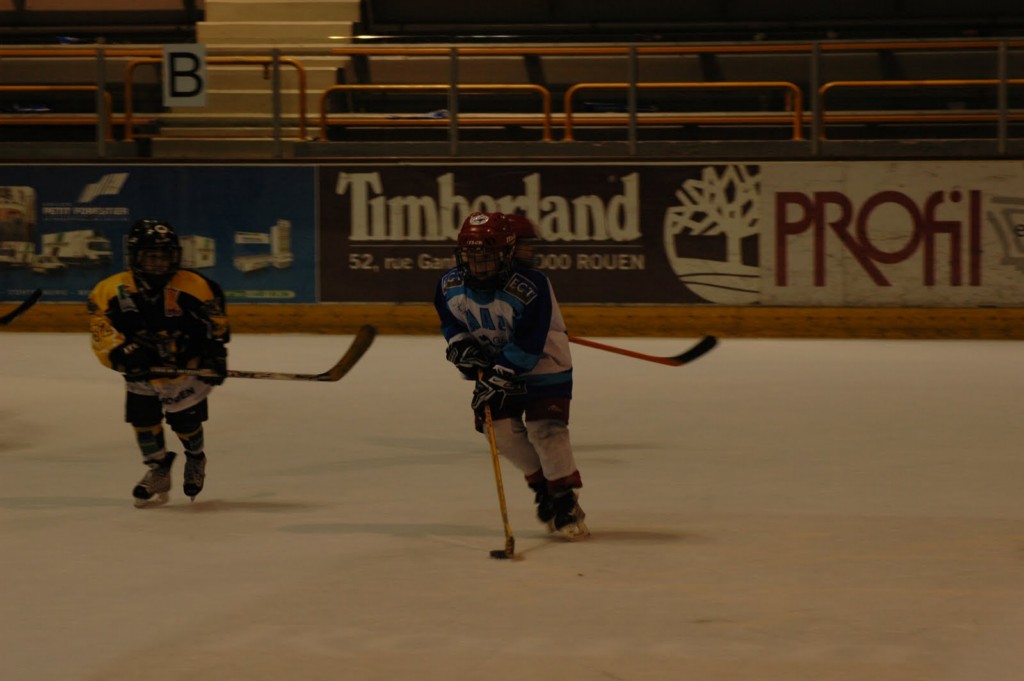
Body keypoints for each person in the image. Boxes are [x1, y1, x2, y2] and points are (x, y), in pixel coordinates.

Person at [434, 211, 588, 540]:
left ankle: (563, 498)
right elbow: (451, 322)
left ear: (506, 254)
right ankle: (544, 486)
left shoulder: (530, 286)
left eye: (487, 257)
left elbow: (530, 343)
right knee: (499, 433)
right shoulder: (449, 284)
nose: (480, 266)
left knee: (546, 429)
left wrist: (499, 375)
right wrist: (460, 344)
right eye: (473, 257)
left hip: (545, 364)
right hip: (497, 364)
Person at [88, 218, 229, 508]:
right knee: (143, 421)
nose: (158, 264)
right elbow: (101, 329)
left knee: (186, 422)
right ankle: (158, 469)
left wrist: (214, 353)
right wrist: (121, 352)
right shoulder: (111, 290)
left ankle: (195, 457)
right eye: (150, 257)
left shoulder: (196, 286)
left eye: (164, 257)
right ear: (135, 257)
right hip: (142, 371)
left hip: (184, 369)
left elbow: (215, 323)